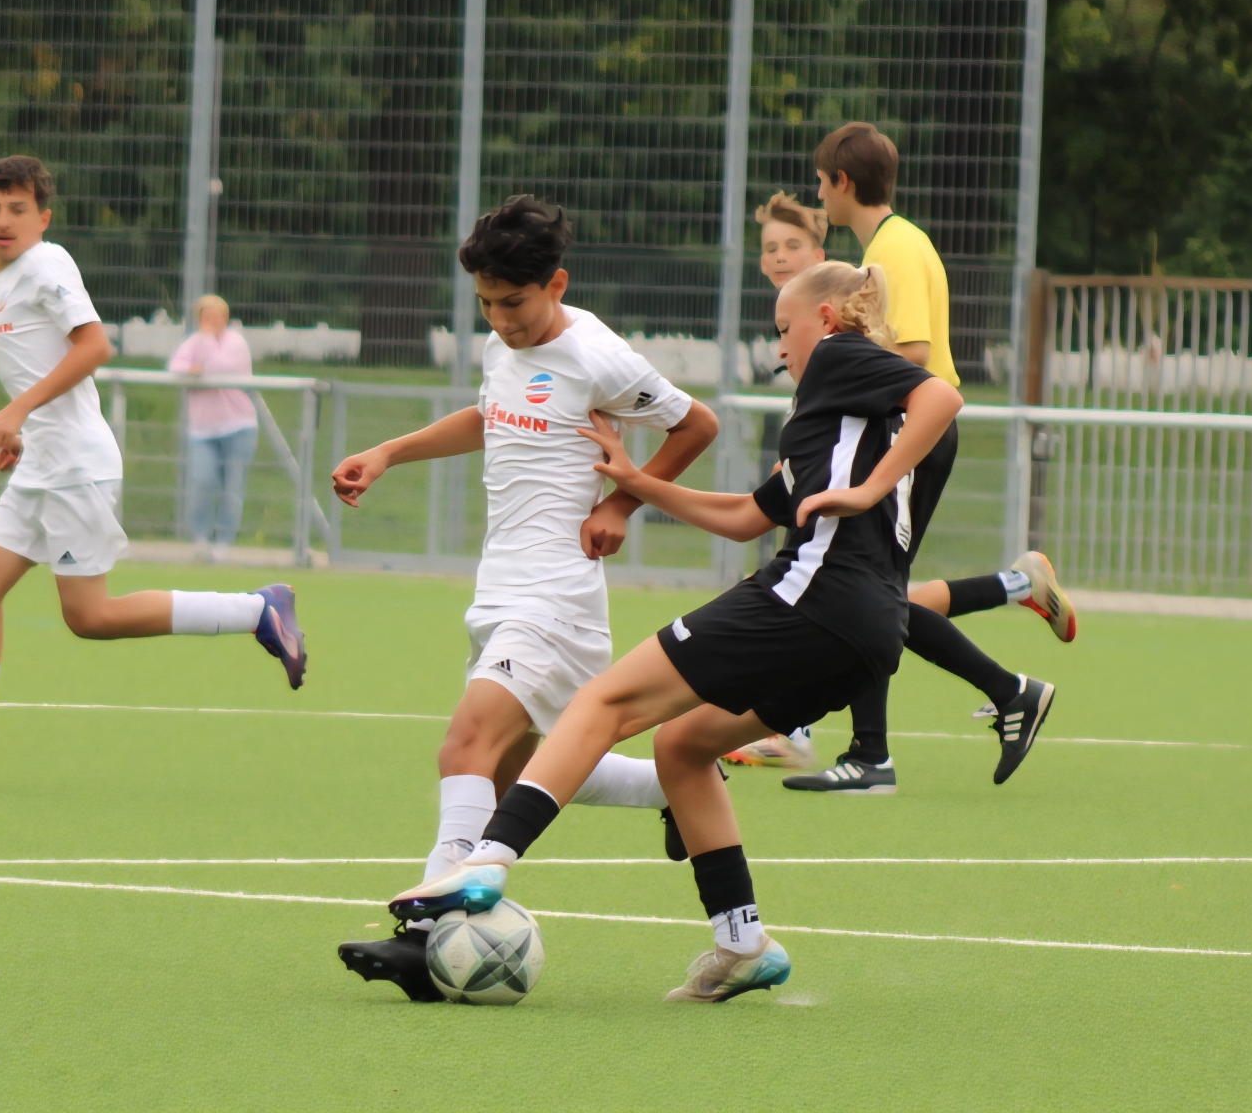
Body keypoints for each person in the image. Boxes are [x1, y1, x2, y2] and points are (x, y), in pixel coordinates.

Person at [389, 262, 1049, 1002]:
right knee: (683, 745)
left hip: (807, 600)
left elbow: (943, 396)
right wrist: (636, 484)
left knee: (605, 703)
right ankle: (743, 944)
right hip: (870, 636)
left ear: (827, 318)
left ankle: (487, 860)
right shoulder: (850, 421)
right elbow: (745, 516)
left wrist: (865, 490)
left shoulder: (840, 360)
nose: (780, 348)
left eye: (784, 329)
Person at [330, 195, 720, 1002]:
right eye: (486, 305)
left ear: (557, 284)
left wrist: (621, 504)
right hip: (499, 590)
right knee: (514, 771)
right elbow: (491, 417)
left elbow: (697, 425)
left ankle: (427, 937)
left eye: (515, 303)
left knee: (465, 744)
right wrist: (390, 452)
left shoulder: (597, 355)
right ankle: (675, 784)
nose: (501, 321)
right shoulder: (501, 345)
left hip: (556, 598)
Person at [0, 157, 305, 790]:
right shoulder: (8, 280)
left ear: (42, 217)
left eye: (18, 209)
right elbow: (43, 368)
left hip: (75, 466)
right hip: (43, 464)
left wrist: (14, 413)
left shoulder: (46, 263)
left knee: (90, 616)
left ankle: (258, 609)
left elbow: (95, 345)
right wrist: (25, 432)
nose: (3, 220)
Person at [725, 186, 1072, 778]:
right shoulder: (811, 331)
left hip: (904, 440)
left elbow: (915, 367)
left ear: (822, 258)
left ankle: (862, 746)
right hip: (888, 444)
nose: (780, 257)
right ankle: (1011, 599)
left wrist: (861, 477)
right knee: (869, 593)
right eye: (770, 248)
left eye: (793, 245)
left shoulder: (856, 301)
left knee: (865, 593)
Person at [170, 294, 258, 563]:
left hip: (238, 426)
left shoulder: (236, 342)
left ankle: (223, 543)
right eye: (206, 318)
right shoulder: (193, 342)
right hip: (202, 430)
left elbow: (221, 367)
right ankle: (201, 538)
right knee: (202, 481)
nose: (211, 322)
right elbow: (176, 367)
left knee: (233, 489)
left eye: (216, 316)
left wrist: (205, 348)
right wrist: (192, 369)